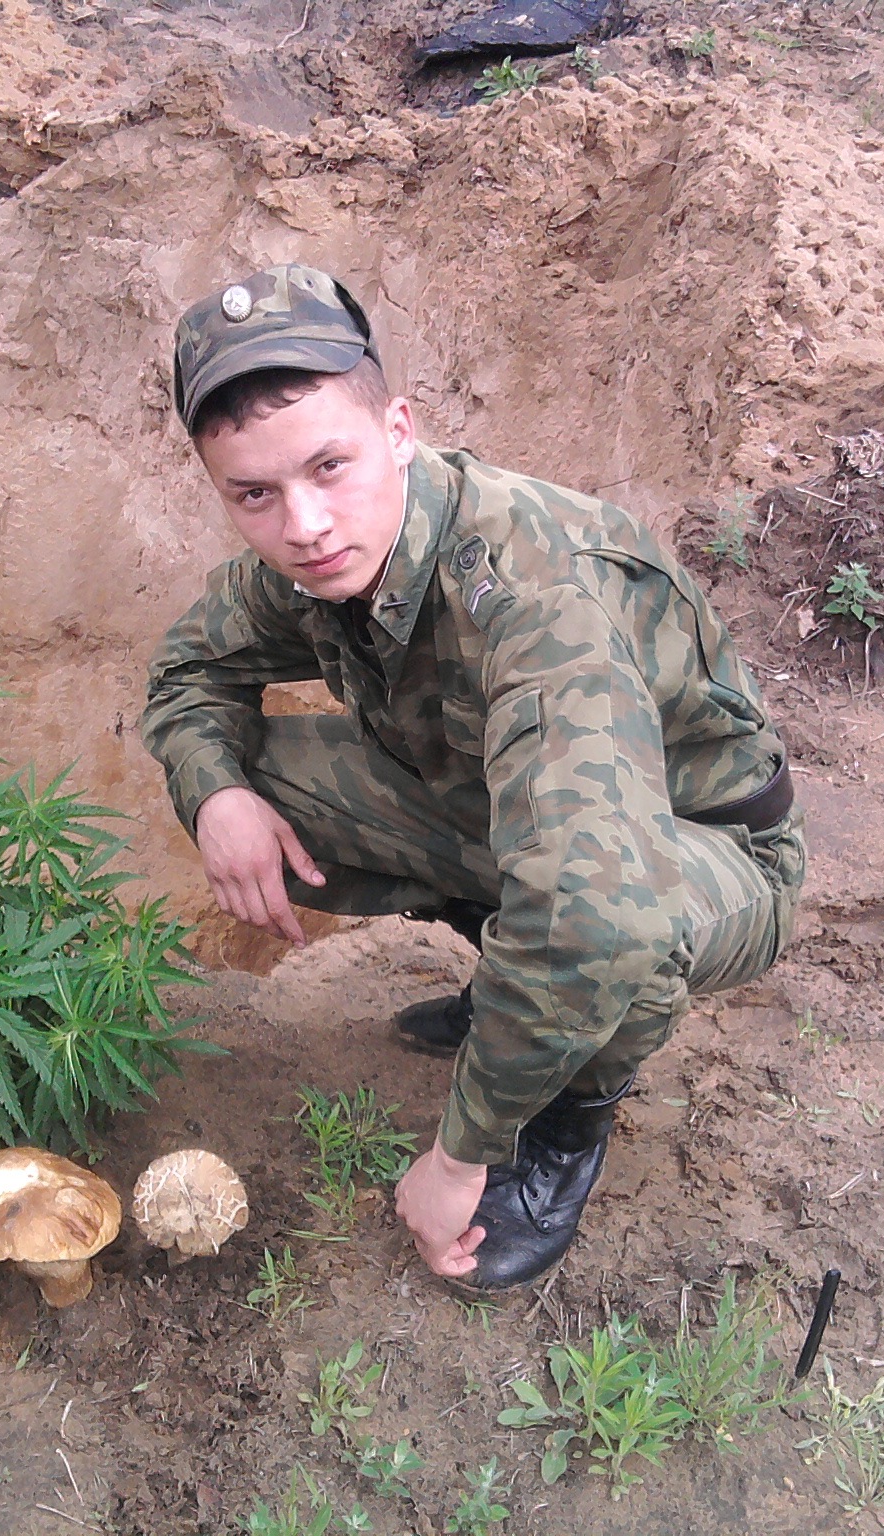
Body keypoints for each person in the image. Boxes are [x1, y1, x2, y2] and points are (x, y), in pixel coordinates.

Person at [140, 263, 805, 1291]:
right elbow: (190, 669)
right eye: (254, 495)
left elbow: (596, 916)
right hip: (521, 819)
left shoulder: (537, 596)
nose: (304, 524)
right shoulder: (319, 558)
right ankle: (512, 989)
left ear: (399, 431)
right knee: (261, 775)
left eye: (329, 466)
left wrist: (460, 1157)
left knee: (609, 930)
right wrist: (217, 795)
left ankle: (567, 1123)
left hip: (712, 852)